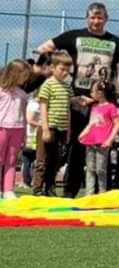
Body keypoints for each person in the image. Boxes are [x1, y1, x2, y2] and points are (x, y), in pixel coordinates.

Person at [35, 1, 119, 197]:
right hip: (78, 101)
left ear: (106, 19)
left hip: (102, 105)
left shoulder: (115, 41)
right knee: (74, 148)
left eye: (100, 17)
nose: (96, 21)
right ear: (87, 18)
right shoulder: (75, 36)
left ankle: (96, 192)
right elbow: (44, 48)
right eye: (93, 17)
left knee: (101, 149)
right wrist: (54, 71)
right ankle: (63, 190)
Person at [33, 50, 74, 195]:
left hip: (62, 130)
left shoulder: (68, 88)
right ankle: (37, 189)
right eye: (62, 69)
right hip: (48, 127)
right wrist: (45, 129)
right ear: (52, 68)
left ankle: (50, 188)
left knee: (55, 161)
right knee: (42, 161)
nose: (65, 73)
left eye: (67, 70)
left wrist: (68, 131)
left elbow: (68, 109)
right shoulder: (47, 85)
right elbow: (43, 107)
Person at [78, 80, 119, 195]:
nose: (91, 92)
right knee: (90, 169)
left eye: (94, 90)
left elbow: (117, 124)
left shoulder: (111, 107)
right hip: (91, 141)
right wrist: (84, 133)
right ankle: (89, 194)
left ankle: (102, 194)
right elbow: (91, 123)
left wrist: (110, 139)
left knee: (101, 169)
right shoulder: (94, 106)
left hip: (103, 143)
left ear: (101, 93)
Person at [0, 59, 32, 199]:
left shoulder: (22, 94)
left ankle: (8, 190)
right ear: (14, 74)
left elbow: (23, 115)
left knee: (11, 161)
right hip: (1, 128)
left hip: (17, 129)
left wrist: (24, 133)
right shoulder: (1, 91)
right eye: (24, 75)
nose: (25, 78)